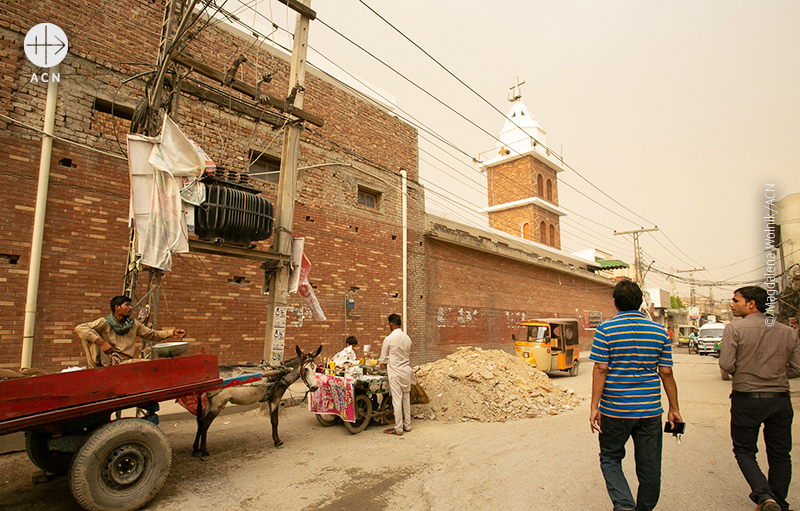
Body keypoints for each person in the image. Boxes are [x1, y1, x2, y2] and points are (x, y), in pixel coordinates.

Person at [589, 279, 682, 511]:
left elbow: (601, 368)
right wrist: (674, 408)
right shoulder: (660, 331)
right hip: (650, 411)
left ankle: (624, 506)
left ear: (614, 302)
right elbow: (667, 373)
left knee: (610, 458)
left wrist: (594, 406)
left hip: (615, 411)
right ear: (641, 302)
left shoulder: (605, 329)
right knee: (650, 468)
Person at [719, 286, 800, 511]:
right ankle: (779, 503)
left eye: (736, 301)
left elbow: (726, 365)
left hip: (747, 399)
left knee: (744, 450)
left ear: (751, 303)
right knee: (780, 453)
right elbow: (797, 367)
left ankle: (765, 496)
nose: (732, 304)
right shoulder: (787, 331)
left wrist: (747, 371)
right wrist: (775, 373)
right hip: (780, 400)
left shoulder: (734, 329)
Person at [75, 295, 186, 367]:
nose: (131, 308)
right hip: (108, 363)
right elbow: (80, 328)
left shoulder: (133, 324)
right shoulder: (104, 323)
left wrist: (172, 332)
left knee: (149, 365)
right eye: (127, 305)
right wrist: (102, 343)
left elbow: (152, 334)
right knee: (89, 335)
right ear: (117, 308)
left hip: (126, 362)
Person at [379, 313, 415, 436]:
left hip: (395, 373)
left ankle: (398, 428)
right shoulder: (407, 338)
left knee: (396, 400)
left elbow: (382, 360)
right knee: (406, 398)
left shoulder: (389, 339)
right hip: (406, 371)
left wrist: (383, 363)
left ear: (391, 324)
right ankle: (408, 425)